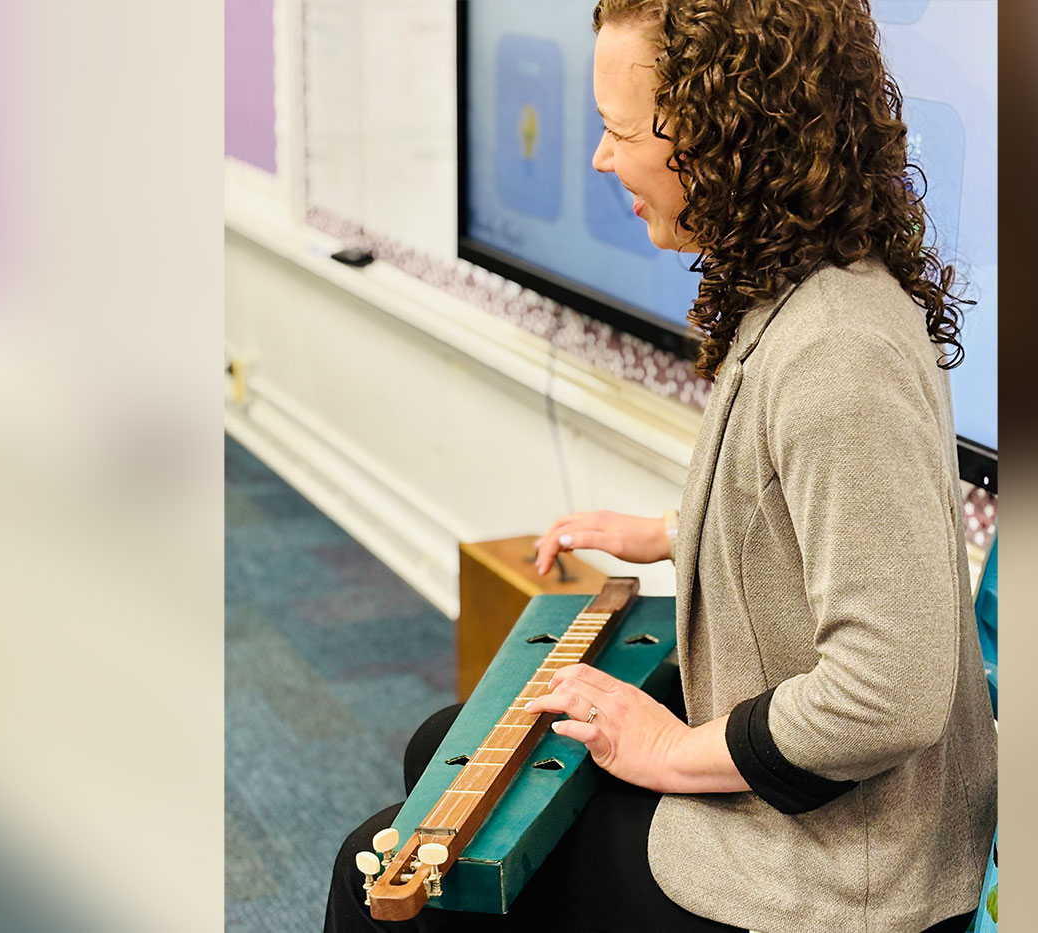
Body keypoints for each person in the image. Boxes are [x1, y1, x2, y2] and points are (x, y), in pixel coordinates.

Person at [326, 1, 995, 930]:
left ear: (729, 135)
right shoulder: (809, 287)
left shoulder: (839, 349)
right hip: (834, 816)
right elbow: (828, 521)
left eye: (619, 131)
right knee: (439, 749)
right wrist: (678, 534)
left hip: (844, 875)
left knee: (375, 882)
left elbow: (891, 693)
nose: (603, 160)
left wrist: (667, 751)